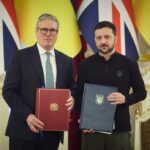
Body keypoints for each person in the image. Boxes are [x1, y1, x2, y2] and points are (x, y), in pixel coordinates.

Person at [2, 13, 75, 150]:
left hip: (52, 132)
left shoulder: (66, 61)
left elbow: (73, 88)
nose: (48, 34)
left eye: (53, 30)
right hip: (23, 129)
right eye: (44, 29)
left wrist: (73, 99)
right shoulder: (20, 57)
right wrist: (27, 116)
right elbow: (8, 91)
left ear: (57, 33)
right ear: (36, 32)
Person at [75, 21, 147, 150]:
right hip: (92, 130)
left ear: (116, 38)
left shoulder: (129, 64)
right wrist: (83, 120)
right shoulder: (85, 65)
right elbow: (78, 95)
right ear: (95, 40)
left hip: (120, 130)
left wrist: (125, 99)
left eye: (107, 37)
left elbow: (142, 92)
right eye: (99, 38)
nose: (103, 41)